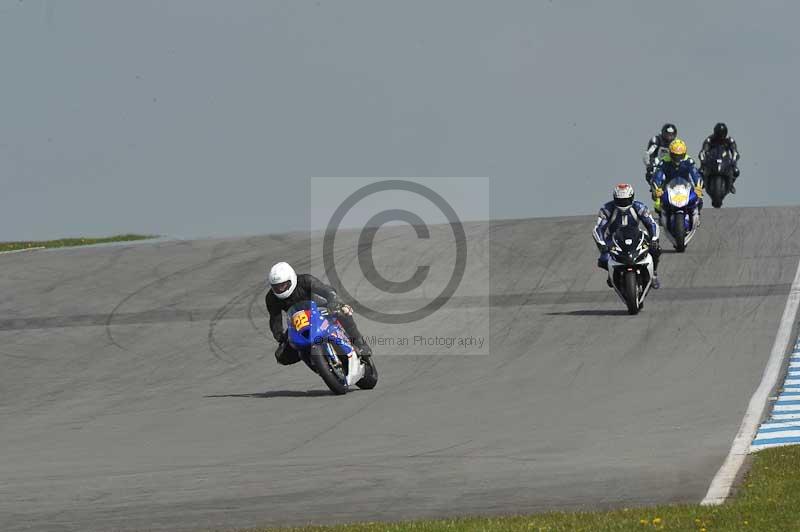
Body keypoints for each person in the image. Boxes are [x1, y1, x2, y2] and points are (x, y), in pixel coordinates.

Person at [265, 261, 372, 365]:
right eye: (276, 287)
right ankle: (314, 362)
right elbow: (275, 318)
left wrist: (334, 302)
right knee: (281, 355)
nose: (280, 289)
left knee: (342, 311)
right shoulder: (271, 298)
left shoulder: (305, 280)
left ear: (291, 279)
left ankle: (360, 343)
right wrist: (279, 336)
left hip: (319, 308)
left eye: (283, 285)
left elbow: (326, 290)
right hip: (298, 322)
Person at [593, 183, 662, 289]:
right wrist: (601, 244)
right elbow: (598, 228)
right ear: (615, 198)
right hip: (613, 237)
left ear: (632, 197)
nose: (623, 203)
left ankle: (653, 274)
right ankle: (611, 275)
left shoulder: (640, 207)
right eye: (620, 200)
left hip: (636, 235)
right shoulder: (607, 209)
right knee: (604, 259)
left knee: (656, 249)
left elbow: (651, 224)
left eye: (626, 200)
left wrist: (654, 239)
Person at [651, 138, 704, 213]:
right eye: (675, 155)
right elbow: (657, 176)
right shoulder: (664, 161)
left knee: (699, 199)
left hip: (686, 184)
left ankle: (695, 216)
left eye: (680, 156)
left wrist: (698, 187)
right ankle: (664, 216)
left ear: (684, 153)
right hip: (668, 185)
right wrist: (657, 189)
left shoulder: (688, 161)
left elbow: (695, 174)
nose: (677, 158)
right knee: (658, 204)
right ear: (670, 153)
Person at [698, 122, 740, 194]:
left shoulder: (730, 140)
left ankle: (731, 184)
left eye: (722, 135)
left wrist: (734, 159)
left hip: (725, 160)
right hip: (711, 160)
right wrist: (703, 160)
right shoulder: (709, 139)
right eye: (719, 135)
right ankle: (702, 185)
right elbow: (703, 151)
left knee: (736, 171)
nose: (720, 137)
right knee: (700, 171)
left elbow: (735, 151)